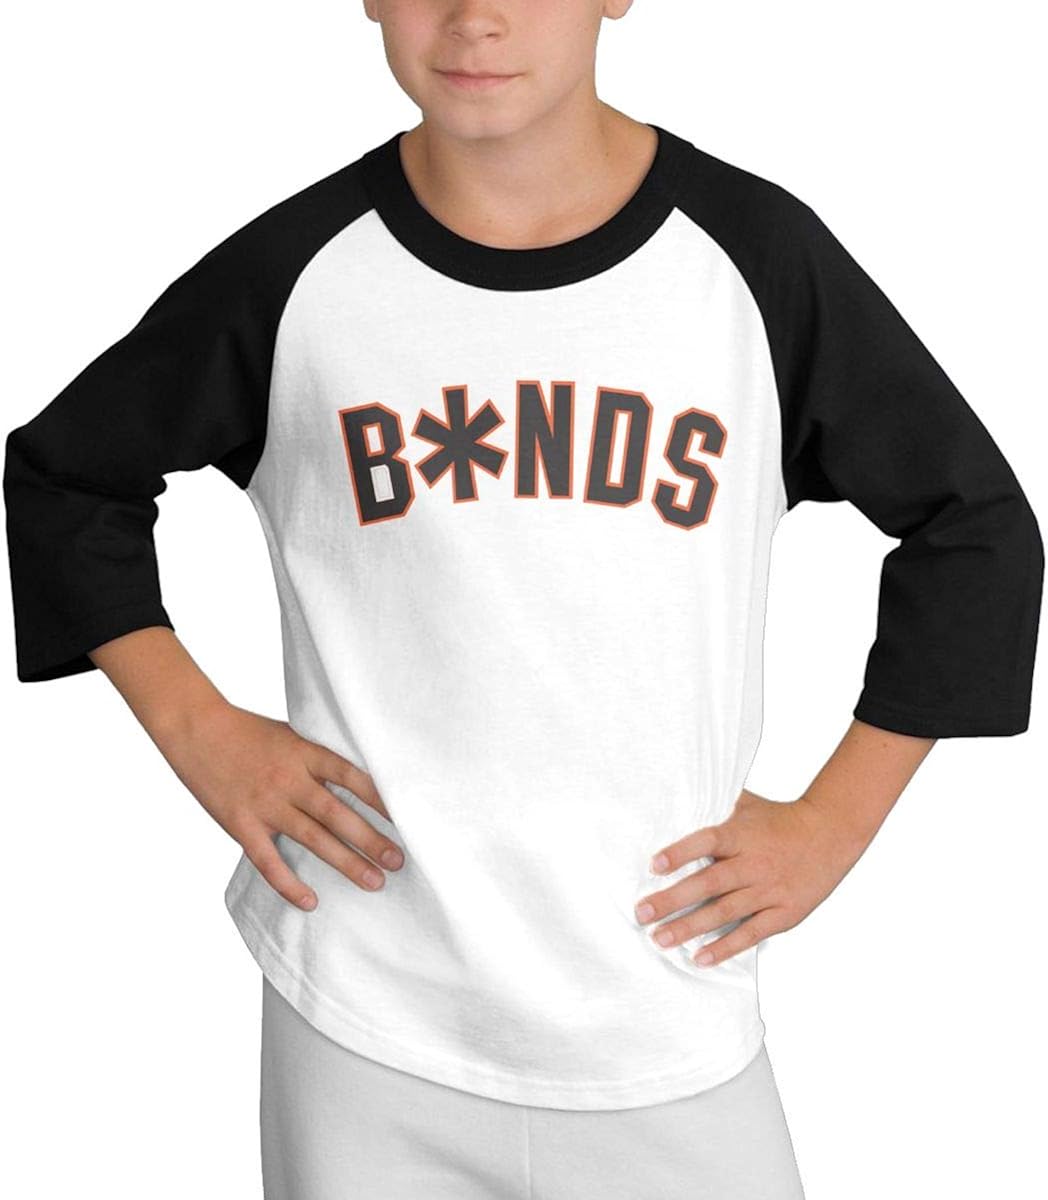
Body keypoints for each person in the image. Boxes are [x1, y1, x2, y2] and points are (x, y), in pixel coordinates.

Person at [4, 2, 1043, 1197]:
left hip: (663, 995)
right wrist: (202, 730)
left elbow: (974, 528)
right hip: (363, 998)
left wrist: (833, 823)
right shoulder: (302, 272)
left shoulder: (750, 261)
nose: (475, 18)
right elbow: (65, 477)